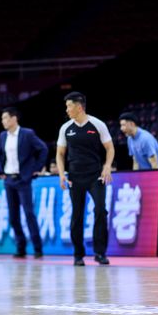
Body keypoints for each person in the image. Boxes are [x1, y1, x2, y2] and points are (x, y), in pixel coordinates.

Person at [55, 92, 114, 266]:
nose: (67, 110)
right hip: (75, 177)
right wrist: (61, 174)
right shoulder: (65, 128)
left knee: (100, 211)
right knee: (77, 215)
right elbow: (60, 154)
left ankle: (100, 253)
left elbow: (110, 148)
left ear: (79, 107)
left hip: (95, 176)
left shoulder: (98, 124)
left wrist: (107, 166)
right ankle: (78, 255)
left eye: (69, 106)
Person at [0, 107, 48, 259]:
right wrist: (0, 170)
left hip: (23, 179)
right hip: (9, 180)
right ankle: (21, 247)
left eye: (5, 118)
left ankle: (37, 248)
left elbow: (43, 149)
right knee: (13, 216)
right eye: (2, 119)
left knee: (29, 213)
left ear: (14, 118)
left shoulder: (27, 134)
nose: (3, 121)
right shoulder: (3, 136)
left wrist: (36, 168)